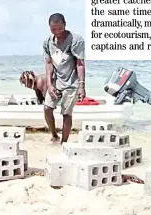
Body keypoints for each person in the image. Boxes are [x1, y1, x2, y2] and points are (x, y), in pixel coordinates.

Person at [42, 13, 86, 144]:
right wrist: (49, 85)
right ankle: (54, 135)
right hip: (56, 82)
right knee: (47, 108)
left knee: (66, 114)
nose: (57, 32)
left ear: (65, 24)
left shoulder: (76, 40)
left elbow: (80, 63)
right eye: (53, 29)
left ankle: (64, 142)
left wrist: (82, 86)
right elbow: (48, 63)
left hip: (72, 83)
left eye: (59, 29)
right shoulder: (47, 42)